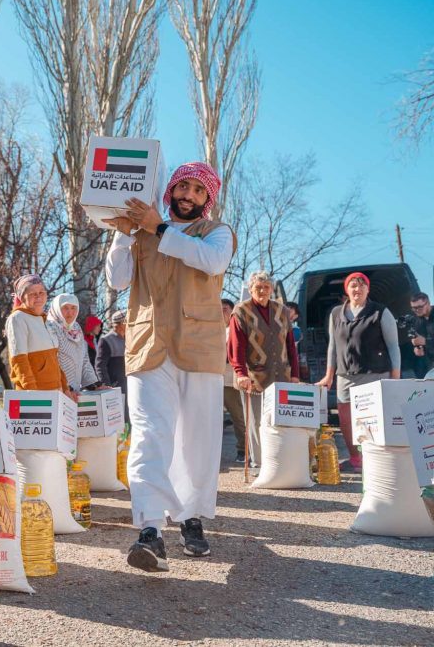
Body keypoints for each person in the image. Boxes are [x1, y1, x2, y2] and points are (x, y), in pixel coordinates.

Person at [105, 161, 236, 571]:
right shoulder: (140, 231)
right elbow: (116, 279)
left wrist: (158, 228)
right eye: (184, 187)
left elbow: (210, 263)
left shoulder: (217, 233)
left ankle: (190, 516)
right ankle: (149, 530)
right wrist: (122, 235)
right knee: (149, 434)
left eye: (199, 191)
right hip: (147, 345)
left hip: (198, 349)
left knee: (195, 438)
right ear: (172, 190)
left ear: (207, 199)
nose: (189, 195)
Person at [316, 272, 401, 471]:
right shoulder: (336, 313)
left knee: (374, 420)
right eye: (353, 285)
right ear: (347, 290)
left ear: (368, 289)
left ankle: (378, 459)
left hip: (375, 373)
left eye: (362, 285)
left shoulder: (380, 312)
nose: (357, 289)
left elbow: (393, 346)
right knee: (346, 420)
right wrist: (329, 375)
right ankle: (356, 459)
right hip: (345, 375)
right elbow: (333, 347)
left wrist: (395, 377)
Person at [227, 271, 300, 468]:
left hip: (281, 375)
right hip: (254, 376)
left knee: (281, 419)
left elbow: (290, 344)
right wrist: (240, 373)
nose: (262, 291)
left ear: (271, 289)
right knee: (257, 422)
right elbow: (236, 347)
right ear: (250, 289)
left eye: (266, 287)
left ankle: (281, 461)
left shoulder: (282, 311)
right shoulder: (241, 311)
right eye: (258, 287)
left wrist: (295, 374)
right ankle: (260, 462)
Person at [5, 274, 71, 394]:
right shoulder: (18, 318)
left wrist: (65, 388)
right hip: (36, 393)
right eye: (32, 294)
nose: (38, 297)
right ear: (22, 297)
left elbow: (54, 360)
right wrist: (33, 393)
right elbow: (19, 361)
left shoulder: (46, 320)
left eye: (41, 292)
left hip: (56, 391)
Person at [47, 293, 101, 392]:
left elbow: (84, 359)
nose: (70, 312)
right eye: (65, 308)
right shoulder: (50, 327)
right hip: (58, 389)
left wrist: (93, 384)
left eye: (73, 308)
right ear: (57, 309)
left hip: (74, 391)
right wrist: (65, 387)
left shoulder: (76, 327)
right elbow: (51, 362)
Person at [221, 298, 247, 463]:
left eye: (225, 309)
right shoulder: (216, 329)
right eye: (219, 309)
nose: (221, 312)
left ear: (232, 311)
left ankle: (244, 450)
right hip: (216, 379)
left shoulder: (234, 329)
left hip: (231, 380)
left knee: (238, 417)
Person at [402, 292, 434, 378]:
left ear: (428, 303)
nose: (417, 310)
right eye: (414, 308)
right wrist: (417, 348)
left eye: (420, 307)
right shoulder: (416, 321)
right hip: (425, 364)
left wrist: (426, 342)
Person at [96, 311, 128, 396]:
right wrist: (107, 387)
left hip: (129, 387)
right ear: (121, 324)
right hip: (115, 389)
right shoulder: (106, 340)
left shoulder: (129, 339)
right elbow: (100, 366)